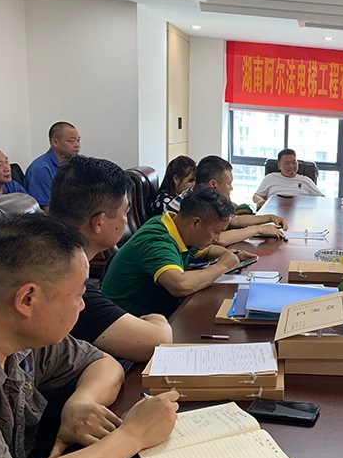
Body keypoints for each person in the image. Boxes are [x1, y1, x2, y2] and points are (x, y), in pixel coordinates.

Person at [0, 214, 178, 458]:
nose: (83, 305)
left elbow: (103, 363)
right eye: (77, 294)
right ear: (27, 299)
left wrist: (82, 401)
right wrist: (132, 435)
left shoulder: (22, 339)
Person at [49, 157, 173, 362]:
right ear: (99, 223)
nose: (126, 220)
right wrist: (156, 317)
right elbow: (157, 343)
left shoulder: (45, 252)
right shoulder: (64, 283)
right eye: (125, 212)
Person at [103, 187, 258, 318]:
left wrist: (226, 254)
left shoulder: (177, 228)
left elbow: (205, 251)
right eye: (216, 232)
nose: (218, 238)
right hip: (123, 320)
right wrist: (223, 265)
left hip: (155, 313)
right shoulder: (157, 240)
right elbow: (180, 285)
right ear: (195, 223)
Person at [166, 155, 288, 244]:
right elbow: (216, 240)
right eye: (229, 183)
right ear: (213, 184)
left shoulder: (206, 198)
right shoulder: (194, 203)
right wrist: (258, 229)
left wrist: (270, 217)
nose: (231, 188)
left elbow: (234, 220)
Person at [24, 121, 81, 210]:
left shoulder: (74, 164)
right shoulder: (41, 169)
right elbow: (46, 209)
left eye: (78, 140)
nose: (77, 145)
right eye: (71, 141)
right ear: (55, 142)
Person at [252, 148, 325, 208]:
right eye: (287, 163)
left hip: (301, 214)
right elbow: (256, 196)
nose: (291, 166)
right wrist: (261, 201)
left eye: (294, 162)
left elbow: (322, 199)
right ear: (279, 165)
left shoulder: (306, 180)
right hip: (274, 214)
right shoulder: (270, 178)